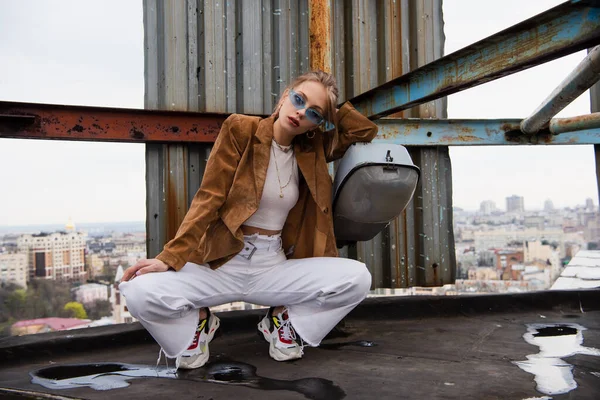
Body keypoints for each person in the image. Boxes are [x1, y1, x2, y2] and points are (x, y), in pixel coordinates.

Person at [119, 70, 378, 370]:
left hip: (272, 266)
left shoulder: (312, 149)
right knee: (137, 291)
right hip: (220, 263)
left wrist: (331, 102)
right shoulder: (241, 129)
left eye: (313, 113)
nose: (299, 112)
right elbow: (209, 197)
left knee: (358, 278)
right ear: (284, 96)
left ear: (316, 124)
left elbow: (363, 131)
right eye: (298, 99)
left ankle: (283, 322)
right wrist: (170, 257)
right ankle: (197, 324)